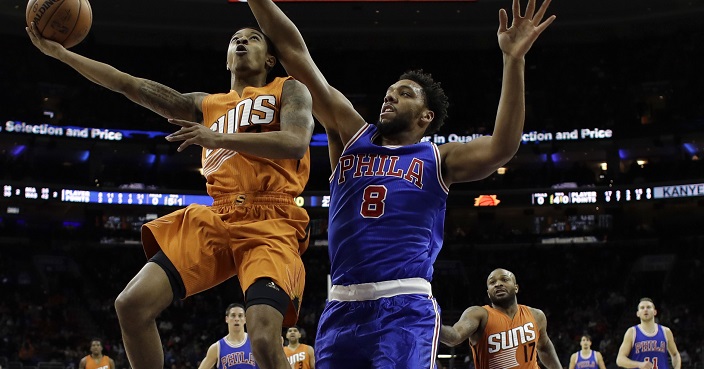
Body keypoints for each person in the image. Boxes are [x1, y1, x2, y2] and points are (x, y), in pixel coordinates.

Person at [245, 0, 555, 367]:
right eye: (390, 91)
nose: (390, 95)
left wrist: (513, 60)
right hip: (341, 304)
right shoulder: (351, 134)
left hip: (405, 307)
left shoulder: (438, 158)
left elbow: (503, 147)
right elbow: (296, 54)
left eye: (405, 93)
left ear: (426, 116)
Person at [27, 20, 315, 369]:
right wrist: (62, 54)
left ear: (270, 59)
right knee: (131, 305)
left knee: (264, 339)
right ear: (226, 59)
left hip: (273, 219)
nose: (241, 42)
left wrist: (218, 139)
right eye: (235, 38)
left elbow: (296, 143)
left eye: (252, 39)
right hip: (218, 216)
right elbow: (127, 84)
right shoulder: (204, 105)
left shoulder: (290, 89)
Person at [439, 268, 561, 369]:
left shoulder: (536, 315)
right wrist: (431, 324)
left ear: (516, 287)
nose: (498, 284)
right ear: (488, 293)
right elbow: (454, 337)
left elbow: (544, 346)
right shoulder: (478, 314)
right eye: (492, 282)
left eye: (504, 279)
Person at [616, 298, 681, 369]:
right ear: (638, 313)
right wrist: (639, 364)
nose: (645, 309)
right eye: (642, 308)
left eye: (648, 307)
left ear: (655, 312)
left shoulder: (666, 331)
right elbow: (620, 360)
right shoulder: (632, 332)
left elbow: (675, 354)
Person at [198, 304, 258, 369]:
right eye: (233, 315)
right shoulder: (217, 348)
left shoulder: (255, 342)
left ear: (245, 319)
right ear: (227, 319)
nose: (237, 319)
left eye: (240, 316)